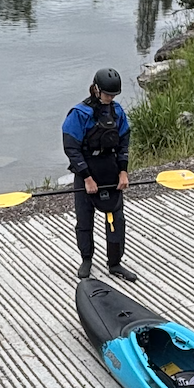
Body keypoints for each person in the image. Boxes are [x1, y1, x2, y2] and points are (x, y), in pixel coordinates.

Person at [62, 67, 137, 282]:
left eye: (114, 95)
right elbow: (71, 148)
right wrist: (86, 178)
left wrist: (123, 172)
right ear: (96, 89)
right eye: (107, 95)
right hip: (86, 171)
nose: (110, 99)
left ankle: (115, 263)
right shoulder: (79, 114)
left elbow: (123, 143)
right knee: (84, 221)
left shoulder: (117, 112)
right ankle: (86, 260)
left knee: (116, 219)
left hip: (109, 170)